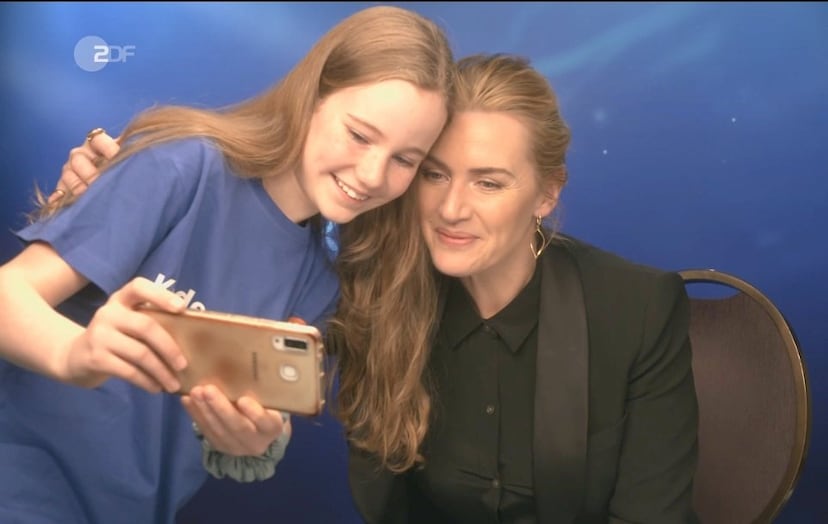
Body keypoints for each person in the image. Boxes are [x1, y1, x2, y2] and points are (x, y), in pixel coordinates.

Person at [54, 54, 699, 523]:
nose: (451, 209)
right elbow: (234, 307)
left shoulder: (637, 307)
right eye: (434, 174)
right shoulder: (370, 296)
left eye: (489, 182)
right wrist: (117, 203)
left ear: (547, 192)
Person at [0, 5, 453, 524]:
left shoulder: (322, 287)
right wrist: (73, 352)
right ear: (312, 97)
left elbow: (235, 437)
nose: (373, 174)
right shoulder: (183, 167)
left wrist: (250, 443)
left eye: (405, 159)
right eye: (360, 134)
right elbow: (8, 294)